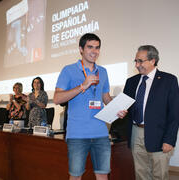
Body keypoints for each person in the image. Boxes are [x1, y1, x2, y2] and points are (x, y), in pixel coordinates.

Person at [53, 33, 127, 180]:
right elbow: (57, 98)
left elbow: (105, 97)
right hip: (77, 134)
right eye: (90, 47)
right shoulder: (68, 70)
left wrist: (116, 109)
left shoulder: (103, 72)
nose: (94, 51)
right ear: (81, 49)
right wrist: (83, 86)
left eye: (97, 47)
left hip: (100, 132)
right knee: (76, 175)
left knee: (102, 174)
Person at [123, 45, 179, 180]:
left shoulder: (169, 80)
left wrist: (169, 140)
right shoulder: (131, 82)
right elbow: (125, 107)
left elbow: (174, 114)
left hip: (159, 135)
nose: (137, 65)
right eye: (135, 61)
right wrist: (120, 112)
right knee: (140, 173)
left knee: (159, 175)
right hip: (136, 132)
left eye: (140, 61)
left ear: (153, 60)